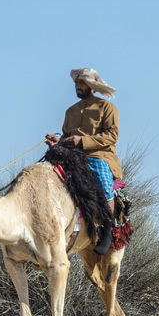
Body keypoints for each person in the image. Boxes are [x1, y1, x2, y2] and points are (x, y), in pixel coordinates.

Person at [45, 68, 121, 255]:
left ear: (92, 86)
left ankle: (107, 230)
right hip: (71, 156)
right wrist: (58, 142)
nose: (77, 87)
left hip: (99, 155)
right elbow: (66, 136)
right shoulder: (70, 111)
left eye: (81, 84)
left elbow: (112, 135)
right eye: (76, 84)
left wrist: (83, 141)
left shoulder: (107, 108)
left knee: (103, 186)